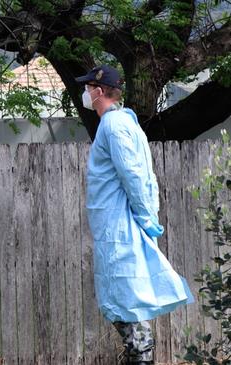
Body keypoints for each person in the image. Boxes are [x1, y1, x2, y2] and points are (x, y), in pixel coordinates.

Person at [76, 65, 193, 364]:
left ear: (99, 92)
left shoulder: (114, 126)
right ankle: (139, 356)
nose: (86, 93)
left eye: (89, 87)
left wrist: (144, 217)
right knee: (128, 297)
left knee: (125, 299)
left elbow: (134, 174)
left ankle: (141, 358)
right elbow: (144, 174)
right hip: (118, 224)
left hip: (120, 227)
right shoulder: (125, 124)